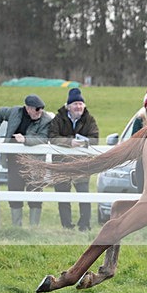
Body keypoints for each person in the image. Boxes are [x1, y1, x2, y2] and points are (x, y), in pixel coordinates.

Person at [0, 94, 53, 227]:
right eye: (37, 109)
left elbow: (44, 138)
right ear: (28, 108)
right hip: (14, 160)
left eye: (41, 109)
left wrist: (25, 139)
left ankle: (34, 228)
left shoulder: (46, 119)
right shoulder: (14, 112)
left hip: (35, 162)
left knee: (35, 191)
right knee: (14, 189)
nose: (39, 112)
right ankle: (16, 227)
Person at [48, 87, 99, 231]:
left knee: (84, 194)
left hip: (82, 164)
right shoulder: (58, 119)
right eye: (75, 104)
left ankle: (84, 225)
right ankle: (67, 225)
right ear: (68, 106)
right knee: (63, 195)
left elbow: (95, 139)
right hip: (61, 164)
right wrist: (69, 142)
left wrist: (84, 142)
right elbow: (52, 137)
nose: (78, 107)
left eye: (80, 104)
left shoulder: (89, 119)